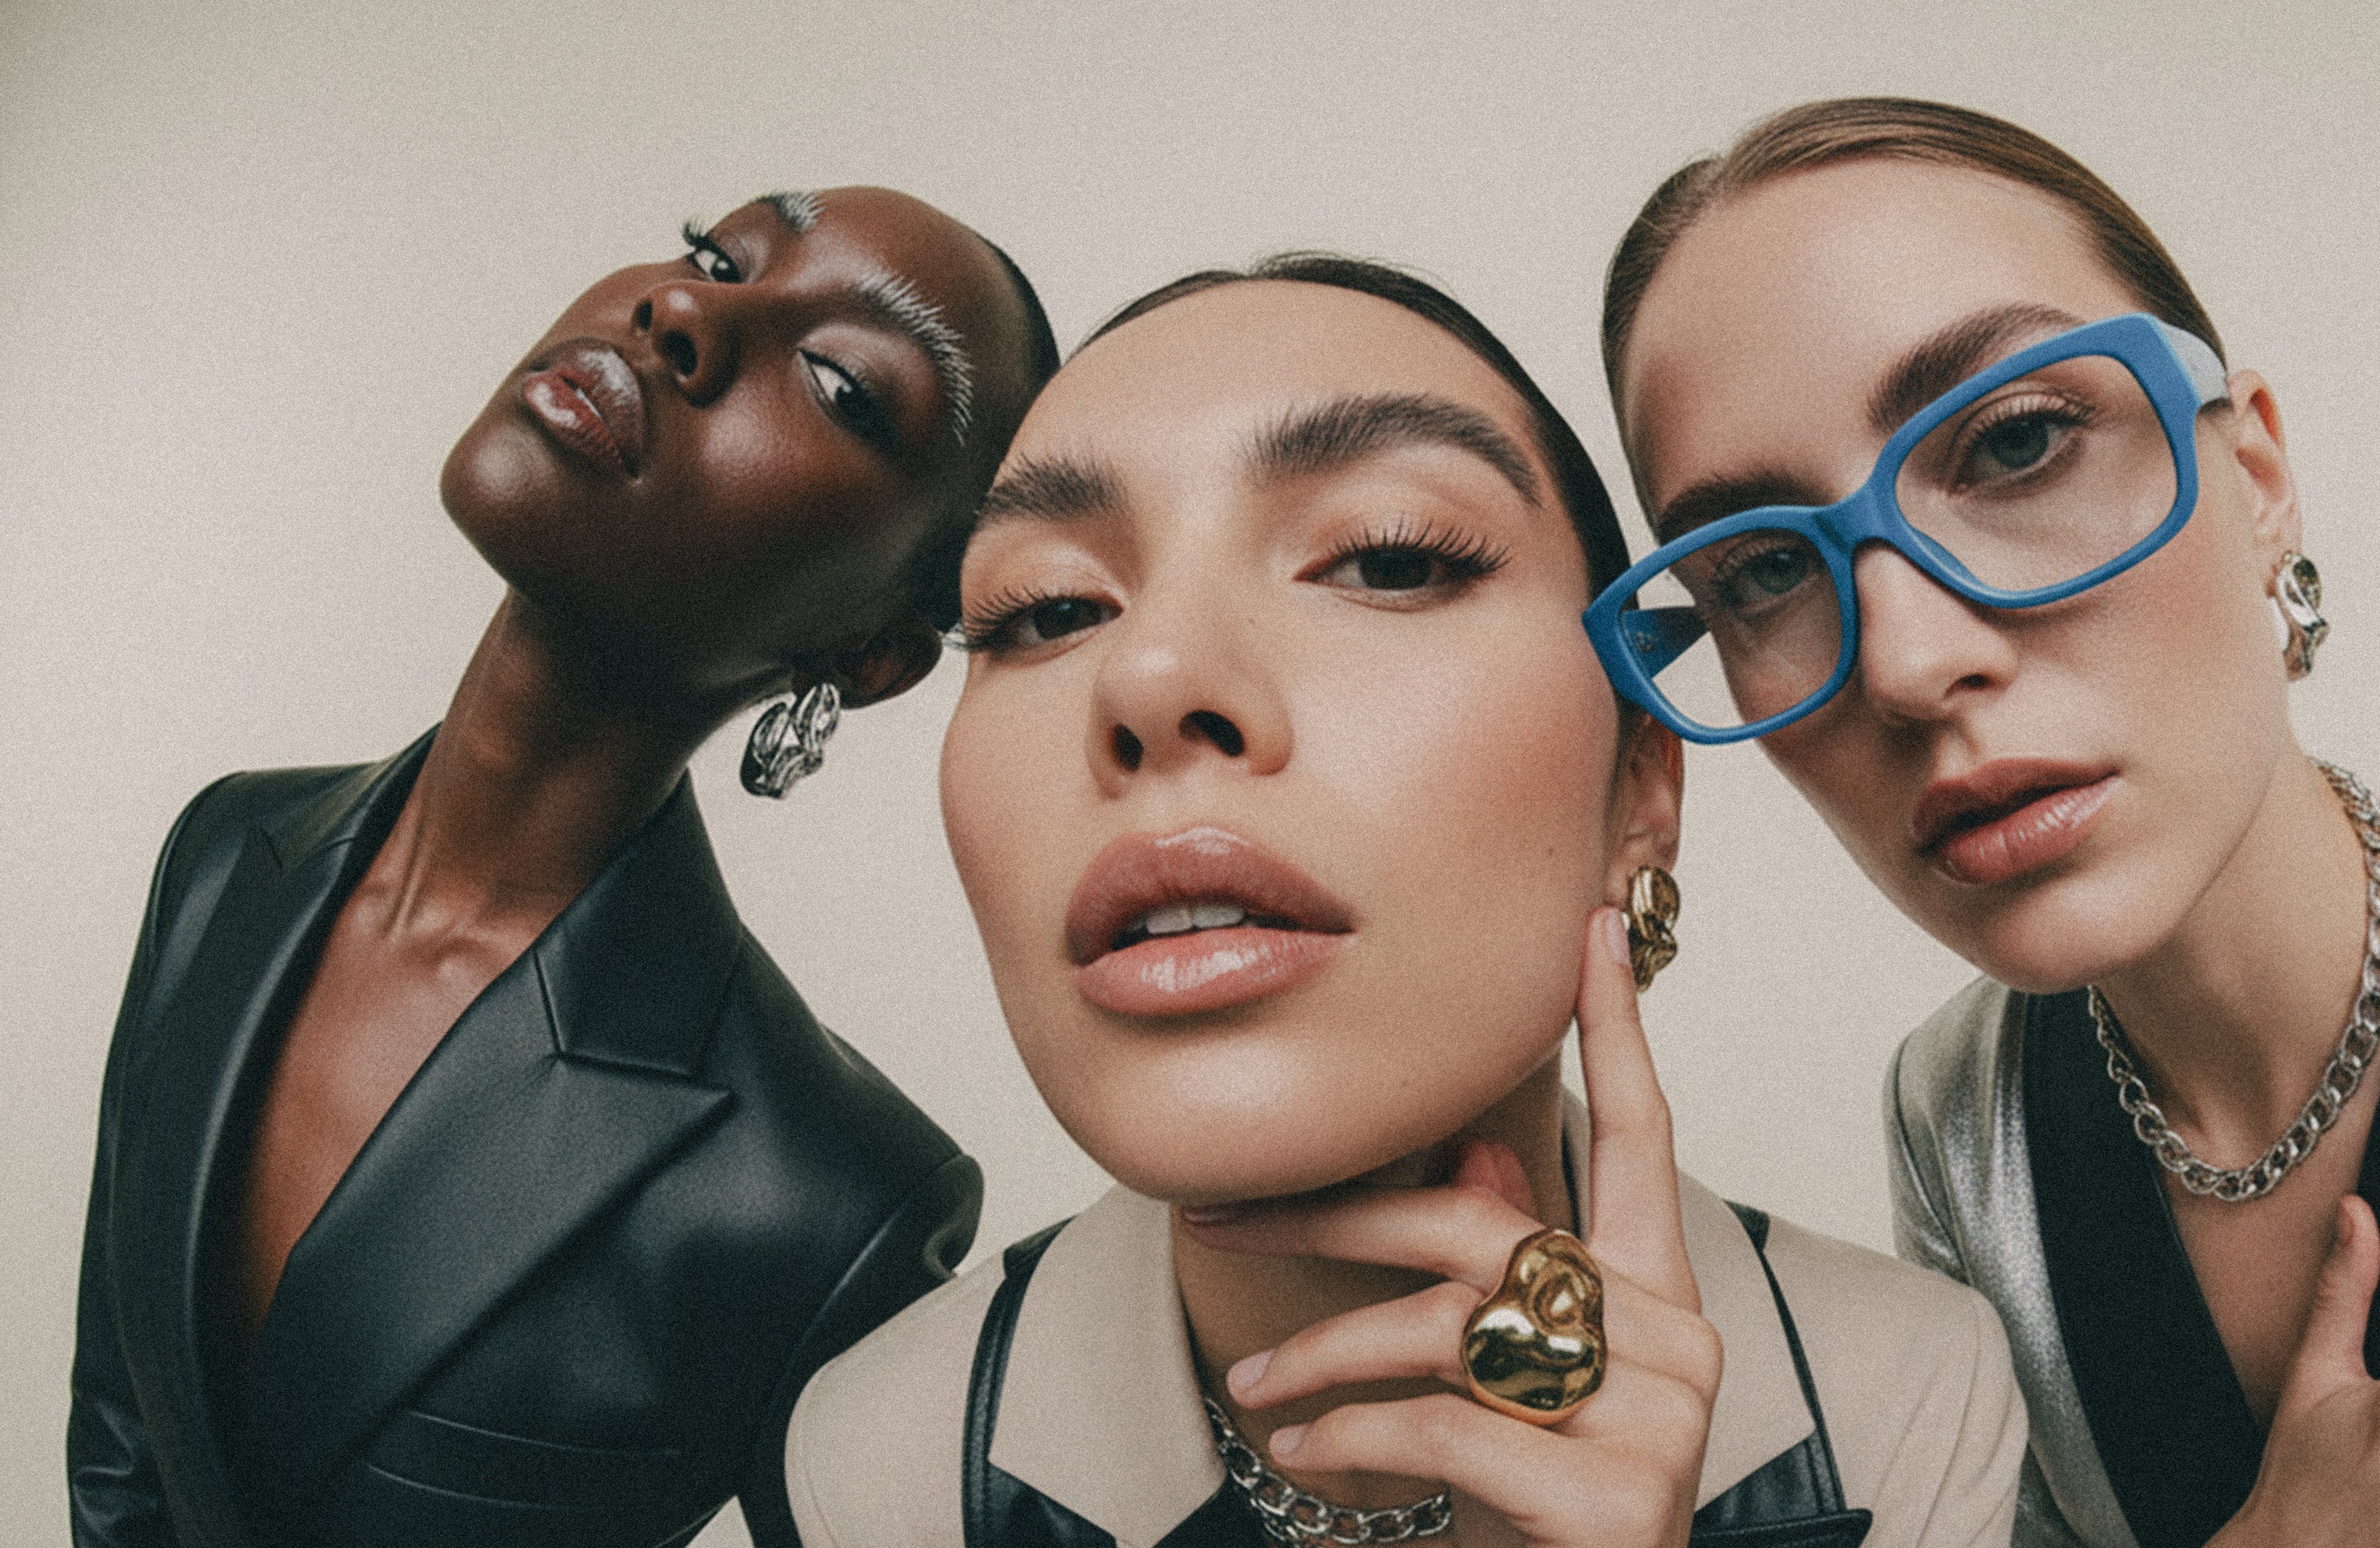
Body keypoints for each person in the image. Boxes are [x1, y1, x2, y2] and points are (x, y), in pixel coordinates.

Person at [1584, 98, 2380, 1548]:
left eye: (2017, 444)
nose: (1903, 658)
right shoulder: (1958, 1114)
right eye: (1766, 570)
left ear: (2256, 477)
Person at [782, 254, 2029, 1546]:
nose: (1147, 676)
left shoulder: (1910, 1401)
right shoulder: (871, 1472)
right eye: (1044, 612)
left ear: (1641, 784)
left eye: (1385, 561)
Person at [69, 186, 1057, 1547]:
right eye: (717, 252)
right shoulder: (225, 858)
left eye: (837, 380)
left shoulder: (825, 1198)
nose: (685, 309)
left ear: (874, 651)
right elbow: (121, 1453)